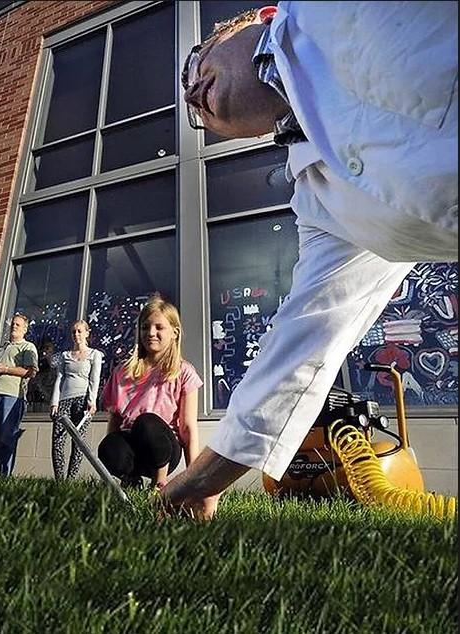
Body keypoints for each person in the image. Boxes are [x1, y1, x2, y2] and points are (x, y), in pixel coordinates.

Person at [161, 2, 458, 516]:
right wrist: (204, 479)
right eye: (195, 112)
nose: (192, 93)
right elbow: (305, 335)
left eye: (196, 63)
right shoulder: (320, 198)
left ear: (263, 16)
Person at [98, 295, 209, 499]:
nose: (151, 333)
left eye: (159, 327)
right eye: (145, 327)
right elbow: (115, 419)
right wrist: (111, 452)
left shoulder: (184, 372)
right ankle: (130, 478)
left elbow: (187, 427)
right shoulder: (123, 371)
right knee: (108, 446)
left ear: (174, 333)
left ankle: (159, 483)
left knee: (146, 422)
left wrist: (194, 478)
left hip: (165, 449)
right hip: (134, 446)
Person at [0, 313, 38, 476]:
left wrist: (7, 369)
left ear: (25, 329)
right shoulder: (0, 348)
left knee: (6, 438)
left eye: (18, 324)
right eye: (13, 324)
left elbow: (30, 372)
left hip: (12, 397)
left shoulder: (28, 347)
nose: (14, 327)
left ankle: (4, 476)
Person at [49, 320, 103, 480]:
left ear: (87, 333)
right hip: (64, 400)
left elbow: (95, 379)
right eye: (73, 331)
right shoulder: (64, 356)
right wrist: (54, 402)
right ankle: (59, 481)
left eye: (80, 331)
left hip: (82, 401)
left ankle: (71, 479)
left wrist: (92, 401)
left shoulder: (94, 355)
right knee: (58, 441)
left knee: (78, 441)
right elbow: (59, 379)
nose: (76, 334)